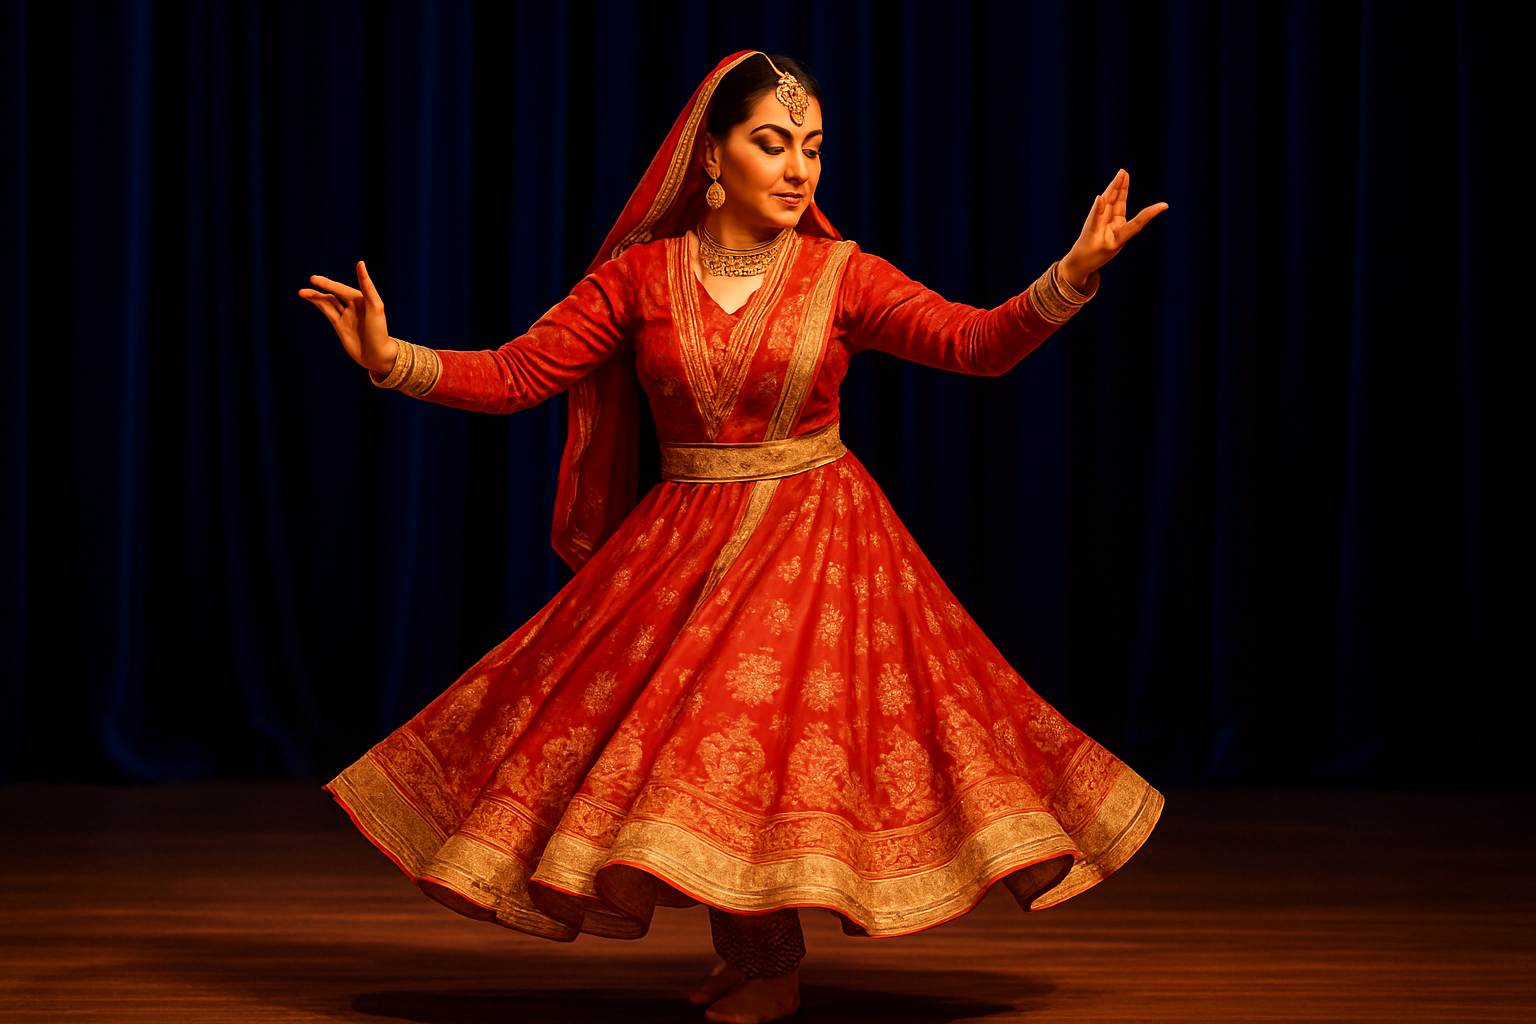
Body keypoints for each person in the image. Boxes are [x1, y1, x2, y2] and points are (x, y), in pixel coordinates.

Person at [299, 50, 1168, 1024]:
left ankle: (769, 964)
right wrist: (389, 359)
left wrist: (1072, 276)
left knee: (753, 744)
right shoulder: (640, 280)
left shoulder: (843, 275)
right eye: (772, 144)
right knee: (685, 755)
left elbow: (974, 343)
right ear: (710, 156)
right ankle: (754, 952)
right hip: (682, 545)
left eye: (814, 149)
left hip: (820, 542)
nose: (799, 168)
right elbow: (515, 375)